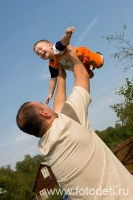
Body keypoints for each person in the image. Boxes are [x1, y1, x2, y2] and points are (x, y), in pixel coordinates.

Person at [16, 46, 133, 200]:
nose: (47, 106)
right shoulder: (68, 124)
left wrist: (61, 76)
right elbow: (83, 77)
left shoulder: (46, 147)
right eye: (42, 104)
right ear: (44, 113)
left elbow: (59, 108)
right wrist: (72, 56)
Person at [33, 27, 104, 104]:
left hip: (83, 56)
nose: (40, 52)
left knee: (100, 63)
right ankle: (90, 67)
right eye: (38, 54)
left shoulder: (56, 48)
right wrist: (50, 93)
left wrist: (67, 35)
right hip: (78, 66)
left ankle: (98, 55)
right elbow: (53, 79)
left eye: (40, 48)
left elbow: (63, 42)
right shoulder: (52, 64)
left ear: (50, 45)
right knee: (89, 75)